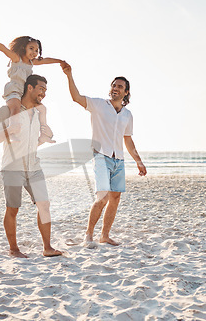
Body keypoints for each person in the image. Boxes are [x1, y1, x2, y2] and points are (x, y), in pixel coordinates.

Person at [61, 62, 147, 247]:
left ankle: (105, 236)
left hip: (119, 160)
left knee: (115, 197)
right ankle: (88, 235)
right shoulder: (99, 105)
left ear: (126, 93)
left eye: (120, 86)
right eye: (114, 85)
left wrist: (138, 161)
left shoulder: (127, 114)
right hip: (101, 156)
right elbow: (76, 97)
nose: (115, 88)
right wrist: (69, 75)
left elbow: (128, 140)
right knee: (103, 196)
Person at [0, 74, 62, 258]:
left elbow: (30, 144)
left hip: (34, 167)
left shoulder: (37, 114)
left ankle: (47, 247)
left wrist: (42, 140)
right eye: (41, 89)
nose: (43, 93)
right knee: (13, 209)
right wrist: (9, 130)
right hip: (12, 167)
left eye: (45, 90)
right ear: (29, 87)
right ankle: (13, 250)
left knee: (44, 205)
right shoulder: (7, 111)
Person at [0, 36, 63, 143]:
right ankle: (12, 132)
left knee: (42, 109)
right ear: (23, 47)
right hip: (14, 90)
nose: (34, 52)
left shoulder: (32, 62)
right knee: (15, 108)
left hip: (24, 92)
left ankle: (44, 135)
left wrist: (60, 61)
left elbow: (46, 60)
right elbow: (3, 48)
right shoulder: (16, 58)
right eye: (31, 48)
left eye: (36, 50)